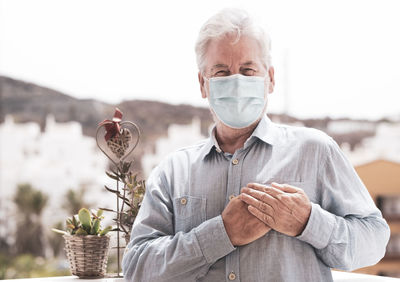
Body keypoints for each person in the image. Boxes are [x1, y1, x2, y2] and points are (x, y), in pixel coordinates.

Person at [122, 8, 390, 282]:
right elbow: (137, 268)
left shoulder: (316, 150)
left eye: (248, 70)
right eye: (221, 71)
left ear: (270, 79)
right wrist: (220, 234)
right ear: (203, 84)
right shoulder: (174, 170)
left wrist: (309, 222)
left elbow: (374, 242)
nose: (237, 82)